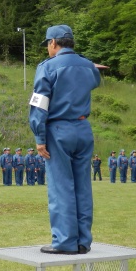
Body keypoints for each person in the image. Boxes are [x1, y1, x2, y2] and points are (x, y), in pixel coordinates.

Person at [29, 24, 101, 255]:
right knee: (82, 186)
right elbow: (95, 81)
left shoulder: (48, 67)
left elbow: (40, 103)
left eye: (48, 45)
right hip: (83, 128)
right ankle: (82, 242)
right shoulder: (88, 65)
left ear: (53, 43)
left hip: (58, 129)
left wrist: (39, 136)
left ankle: (64, 241)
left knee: (61, 187)